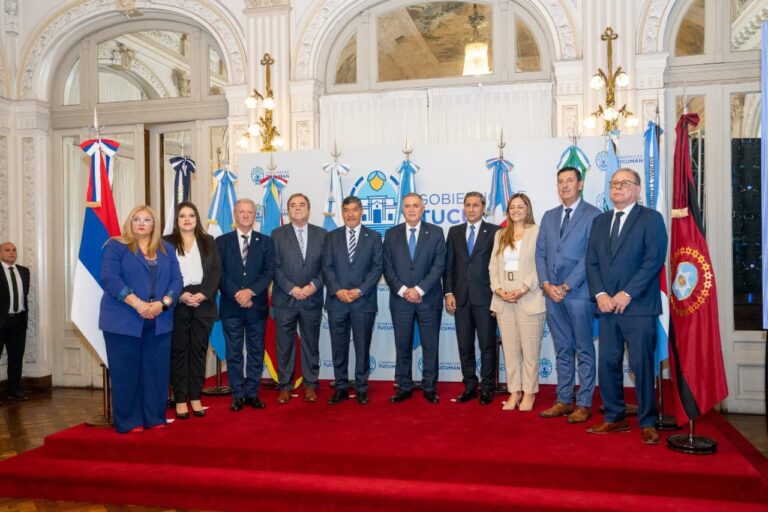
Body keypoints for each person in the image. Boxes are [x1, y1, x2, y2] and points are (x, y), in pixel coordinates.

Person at [585, 168, 667, 445]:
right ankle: (615, 417)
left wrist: (627, 293)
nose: (618, 188)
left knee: (641, 365)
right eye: (614, 183)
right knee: (608, 363)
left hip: (638, 306)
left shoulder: (651, 219)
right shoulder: (600, 221)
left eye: (624, 183)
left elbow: (653, 261)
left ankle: (648, 421)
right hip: (607, 307)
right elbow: (591, 262)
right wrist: (600, 294)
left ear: (638, 190)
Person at [99, 205, 182, 433]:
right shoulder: (116, 247)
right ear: (130, 223)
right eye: (136, 219)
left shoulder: (167, 248)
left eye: (147, 219)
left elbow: (177, 281)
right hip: (123, 320)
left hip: (159, 320)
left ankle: (154, 418)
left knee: (156, 373)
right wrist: (138, 304)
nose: (141, 223)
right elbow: (110, 278)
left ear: (154, 224)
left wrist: (163, 303)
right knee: (126, 373)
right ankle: (129, 421)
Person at [535, 167, 601, 423]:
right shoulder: (549, 216)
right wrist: (546, 284)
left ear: (580, 184)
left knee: (583, 349)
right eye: (561, 181)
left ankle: (583, 403)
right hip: (552, 295)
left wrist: (566, 286)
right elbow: (541, 253)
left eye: (570, 181)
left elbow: (590, 256)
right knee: (562, 348)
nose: (565, 186)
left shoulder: (593, 215)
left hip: (579, 294)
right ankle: (563, 400)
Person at [383, 193, 446, 404]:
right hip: (400, 300)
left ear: (423, 208)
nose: (411, 210)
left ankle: (429, 387)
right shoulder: (391, 234)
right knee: (402, 345)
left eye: (415, 206)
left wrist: (419, 289)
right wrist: (403, 290)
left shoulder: (436, 233)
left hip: (428, 299)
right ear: (402, 209)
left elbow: (439, 265)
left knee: (430, 345)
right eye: (407, 206)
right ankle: (404, 386)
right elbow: (387, 266)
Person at [216, 198, 275, 412]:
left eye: (250, 212)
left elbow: (269, 271)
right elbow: (219, 273)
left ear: (255, 215)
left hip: (256, 306)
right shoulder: (221, 242)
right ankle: (237, 395)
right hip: (231, 307)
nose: (246, 215)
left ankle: (252, 393)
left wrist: (250, 292)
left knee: (255, 352)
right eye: (242, 211)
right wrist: (237, 294)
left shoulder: (266, 242)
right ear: (235, 215)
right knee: (234, 353)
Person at [322, 196, 382, 405]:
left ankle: (362, 387)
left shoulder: (374, 237)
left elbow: (377, 268)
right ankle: (340, 387)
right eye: (346, 210)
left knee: (362, 347)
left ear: (361, 211)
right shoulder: (331, 236)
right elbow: (326, 266)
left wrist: (360, 290)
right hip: (337, 301)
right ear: (342, 212)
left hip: (363, 302)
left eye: (354, 209)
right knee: (338, 347)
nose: (350, 214)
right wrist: (337, 290)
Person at [164, 202, 221, 419]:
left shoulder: (208, 241)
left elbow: (216, 271)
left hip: (202, 302)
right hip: (177, 300)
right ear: (177, 220)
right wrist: (179, 295)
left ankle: (195, 397)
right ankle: (180, 398)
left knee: (198, 351)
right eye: (182, 216)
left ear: (197, 218)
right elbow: (163, 273)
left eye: (191, 215)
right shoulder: (166, 243)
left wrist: (205, 294)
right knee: (179, 351)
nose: (187, 219)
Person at [489, 194, 545, 412]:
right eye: (512, 207)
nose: (516, 210)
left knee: (530, 352)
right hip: (504, 300)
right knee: (510, 351)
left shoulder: (537, 231)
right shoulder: (501, 234)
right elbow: (493, 266)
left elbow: (540, 265)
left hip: (529, 298)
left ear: (527, 209)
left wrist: (522, 289)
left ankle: (529, 392)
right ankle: (514, 391)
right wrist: (498, 289)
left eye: (520, 207)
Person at [443, 192, 499, 405]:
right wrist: (448, 292)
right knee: (465, 345)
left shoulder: (495, 231)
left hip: (485, 298)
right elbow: (449, 266)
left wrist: (497, 298)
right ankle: (469, 386)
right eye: (468, 205)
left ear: (483, 208)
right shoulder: (454, 232)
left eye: (476, 205)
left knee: (487, 345)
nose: (471, 209)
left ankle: (487, 387)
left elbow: (499, 267)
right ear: (464, 208)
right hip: (461, 299)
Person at [272, 193, 326, 404]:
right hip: (285, 299)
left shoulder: (322, 234)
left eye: (302, 204)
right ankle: (285, 386)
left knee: (311, 344)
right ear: (288, 211)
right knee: (284, 345)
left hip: (312, 299)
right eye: (293, 205)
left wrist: (312, 286)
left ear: (308, 209)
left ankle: (310, 385)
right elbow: (274, 267)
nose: (297, 208)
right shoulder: (277, 234)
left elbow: (326, 267)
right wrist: (292, 288)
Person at [0, 242, 30, 403]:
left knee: (16, 357)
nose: (11, 253)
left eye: (14, 250)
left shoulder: (24, 271)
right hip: (1, 322)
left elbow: (24, 295)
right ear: (0, 253)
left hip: (18, 321)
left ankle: (14, 389)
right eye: (7, 250)